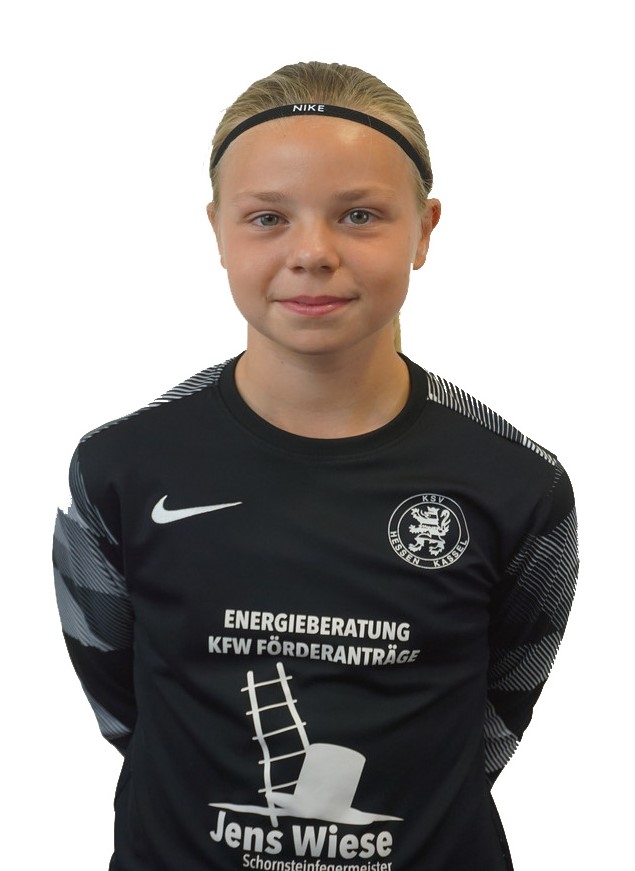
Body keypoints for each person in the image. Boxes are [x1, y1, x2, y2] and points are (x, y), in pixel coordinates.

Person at [53, 61, 578, 871]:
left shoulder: (517, 482)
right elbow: (125, 706)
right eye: (267, 217)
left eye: (359, 215)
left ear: (424, 230)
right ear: (217, 230)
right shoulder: (120, 466)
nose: (311, 252)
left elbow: (496, 714)